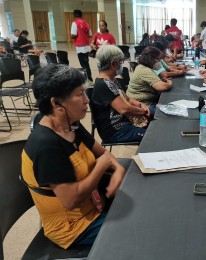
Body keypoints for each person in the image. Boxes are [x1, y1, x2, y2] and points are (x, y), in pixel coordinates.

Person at [21, 64, 126, 249]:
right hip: (74, 228)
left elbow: (104, 154)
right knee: (138, 233)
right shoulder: (46, 145)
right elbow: (71, 200)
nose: (87, 100)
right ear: (56, 104)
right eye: (79, 94)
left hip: (94, 205)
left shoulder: (71, 125)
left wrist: (117, 168)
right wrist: (102, 166)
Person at [91, 45, 149, 143]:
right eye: (120, 62)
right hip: (116, 131)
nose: (121, 65)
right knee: (152, 135)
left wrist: (141, 105)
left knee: (154, 124)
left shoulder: (112, 79)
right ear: (113, 64)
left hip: (125, 123)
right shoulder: (103, 84)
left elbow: (128, 99)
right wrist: (143, 111)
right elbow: (124, 109)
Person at [126, 46, 172, 115]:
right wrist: (169, 83)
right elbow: (163, 87)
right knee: (167, 113)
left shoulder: (143, 67)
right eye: (157, 59)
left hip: (146, 100)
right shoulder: (144, 70)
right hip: (142, 104)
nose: (159, 61)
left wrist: (159, 80)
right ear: (151, 59)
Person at [71, 9, 94, 85]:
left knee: (84, 64)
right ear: (81, 15)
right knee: (86, 63)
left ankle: (89, 79)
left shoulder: (75, 23)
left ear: (74, 15)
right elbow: (90, 35)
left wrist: (73, 36)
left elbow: (73, 35)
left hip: (80, 47)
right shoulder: (86, 24)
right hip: (86, 46)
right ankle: (89, 79)